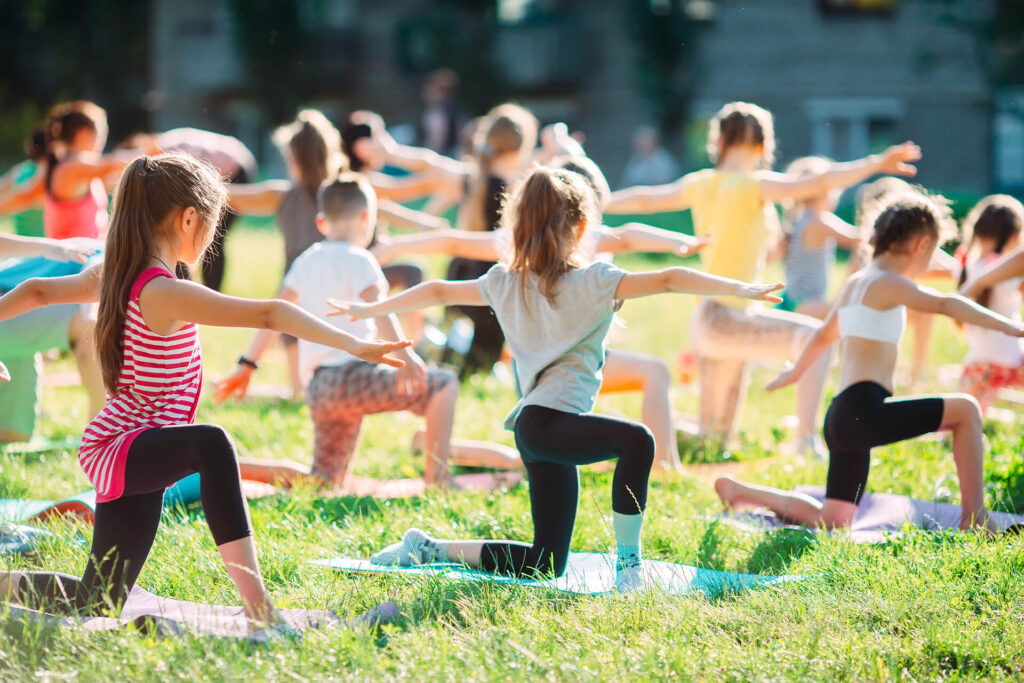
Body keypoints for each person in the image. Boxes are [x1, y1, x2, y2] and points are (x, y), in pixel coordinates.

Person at [0, 154, 409, 635]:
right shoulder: (161, 290)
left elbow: (37, 291)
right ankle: (260, 610)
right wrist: (355, 342)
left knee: (99, 597)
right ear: (188, 218)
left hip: (130, 445)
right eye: (212, 227)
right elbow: (271, 313)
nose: (211, 240)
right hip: (129, 445)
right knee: (211, 445)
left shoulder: (117, 272)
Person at [331, 167, 783, 592]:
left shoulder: (504, 281)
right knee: (638, 442)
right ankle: (630, 568)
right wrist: (739, 289)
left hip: (537, 429)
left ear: (517, 225)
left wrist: (368, 310)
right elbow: (667, 279)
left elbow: (435, 290)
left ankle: (427, 548)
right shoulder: (594, 280)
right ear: (582, 227)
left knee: (544, 564)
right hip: (549, 424)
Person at [604, 102, 921, 455]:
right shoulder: (753, 185)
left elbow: (645, 198)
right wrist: (876, 163)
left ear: (719, 141)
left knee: (713, 439)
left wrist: (596, 201)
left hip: (710, 320)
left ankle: (627, 431)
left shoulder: (701, 183)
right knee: (817, 339)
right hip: (728, 320)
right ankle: (805, 440)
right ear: (761, 148)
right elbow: (816, 182)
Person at [371, 153, 706, 471]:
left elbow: (632, 236)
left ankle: (435, 443)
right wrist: (682, 243)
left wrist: (681, 242)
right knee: (651, 375)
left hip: (549, 367)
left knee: (541, 455)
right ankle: (664, 466)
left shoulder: (533, 239)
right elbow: (453, 243)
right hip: (551, 369)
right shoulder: (578, 237)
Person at [715, 193, 1018, 534]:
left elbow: (823, 336)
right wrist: (1009, 326)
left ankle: (739, 491)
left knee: (833, 520)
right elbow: (946, 304)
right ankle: (975, 518)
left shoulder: (855, 283)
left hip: (841, 416)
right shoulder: (890, 283)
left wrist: (795, 372)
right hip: (864, 411)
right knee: (966, 410)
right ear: (922, 245)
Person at [215, 174, 519, 488]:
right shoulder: (361, 259)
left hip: (319, 387)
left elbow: (275, 316)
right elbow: (380, 308)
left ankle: (230, 468)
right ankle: (439, 480)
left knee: (323, 480)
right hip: (352, 378)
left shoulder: (306, 260)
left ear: (322, 222)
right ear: (366, 218)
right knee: (443, 384)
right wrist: (405, 355)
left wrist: (248, 365)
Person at [118, 128, 258, 292]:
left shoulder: (164, 152)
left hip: (236, 169)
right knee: (185, 233)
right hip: (237, 159)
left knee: (209, 238)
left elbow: (190, 179)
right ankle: (195, 289)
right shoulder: (165, 145)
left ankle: (207, 293)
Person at [955, 195, 1024, 413]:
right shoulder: (1011, 275)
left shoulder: (964, 268)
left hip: (978, 364)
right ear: (1014, 235)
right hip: (1014, 361)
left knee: (959, 422)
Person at [777, 156, 867, 319]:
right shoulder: (819, 221)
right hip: (804, 304)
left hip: (789, 301)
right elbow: (861, 239)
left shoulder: (798, 220)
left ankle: (842, 300)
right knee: (854, 312)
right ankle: (843, 299)